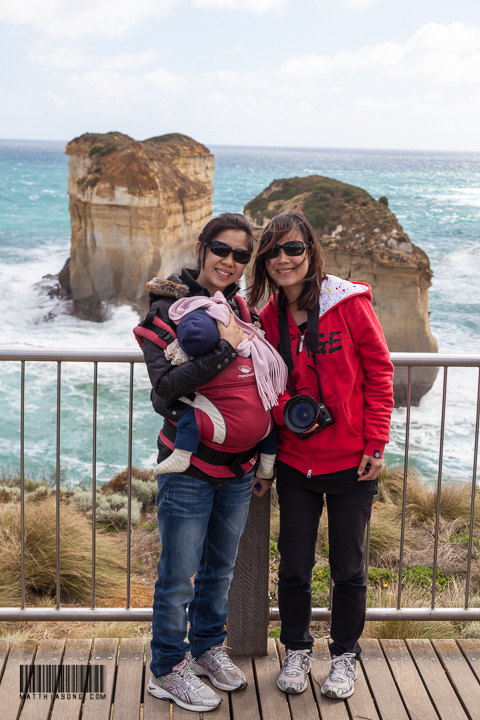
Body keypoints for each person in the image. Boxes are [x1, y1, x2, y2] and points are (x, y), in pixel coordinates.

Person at [133, 212, 286, 713]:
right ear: (202, 249)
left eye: (242, 255)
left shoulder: (241, 305)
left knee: (219, 568)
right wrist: (225, 348)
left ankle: (205, 649)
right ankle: (166, 668)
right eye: (222, 250)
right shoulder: (167, 311)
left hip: (240, 469)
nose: (230, 261)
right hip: (190, 467)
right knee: (178, 574)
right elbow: (164, 391)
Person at [249, 212, 394, 700]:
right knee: (293, 565)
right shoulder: (269, 318)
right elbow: (265, 385)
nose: (283, 259)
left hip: (352, 463)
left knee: (347, 568)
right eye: (273, 251)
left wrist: (375, 442)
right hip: (295, 464)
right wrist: (290, 409)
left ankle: (345, 656)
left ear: (311, 252)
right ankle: (295, 650)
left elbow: (379, 372)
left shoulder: (348, 305)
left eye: (293, 249)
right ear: (264, 262)